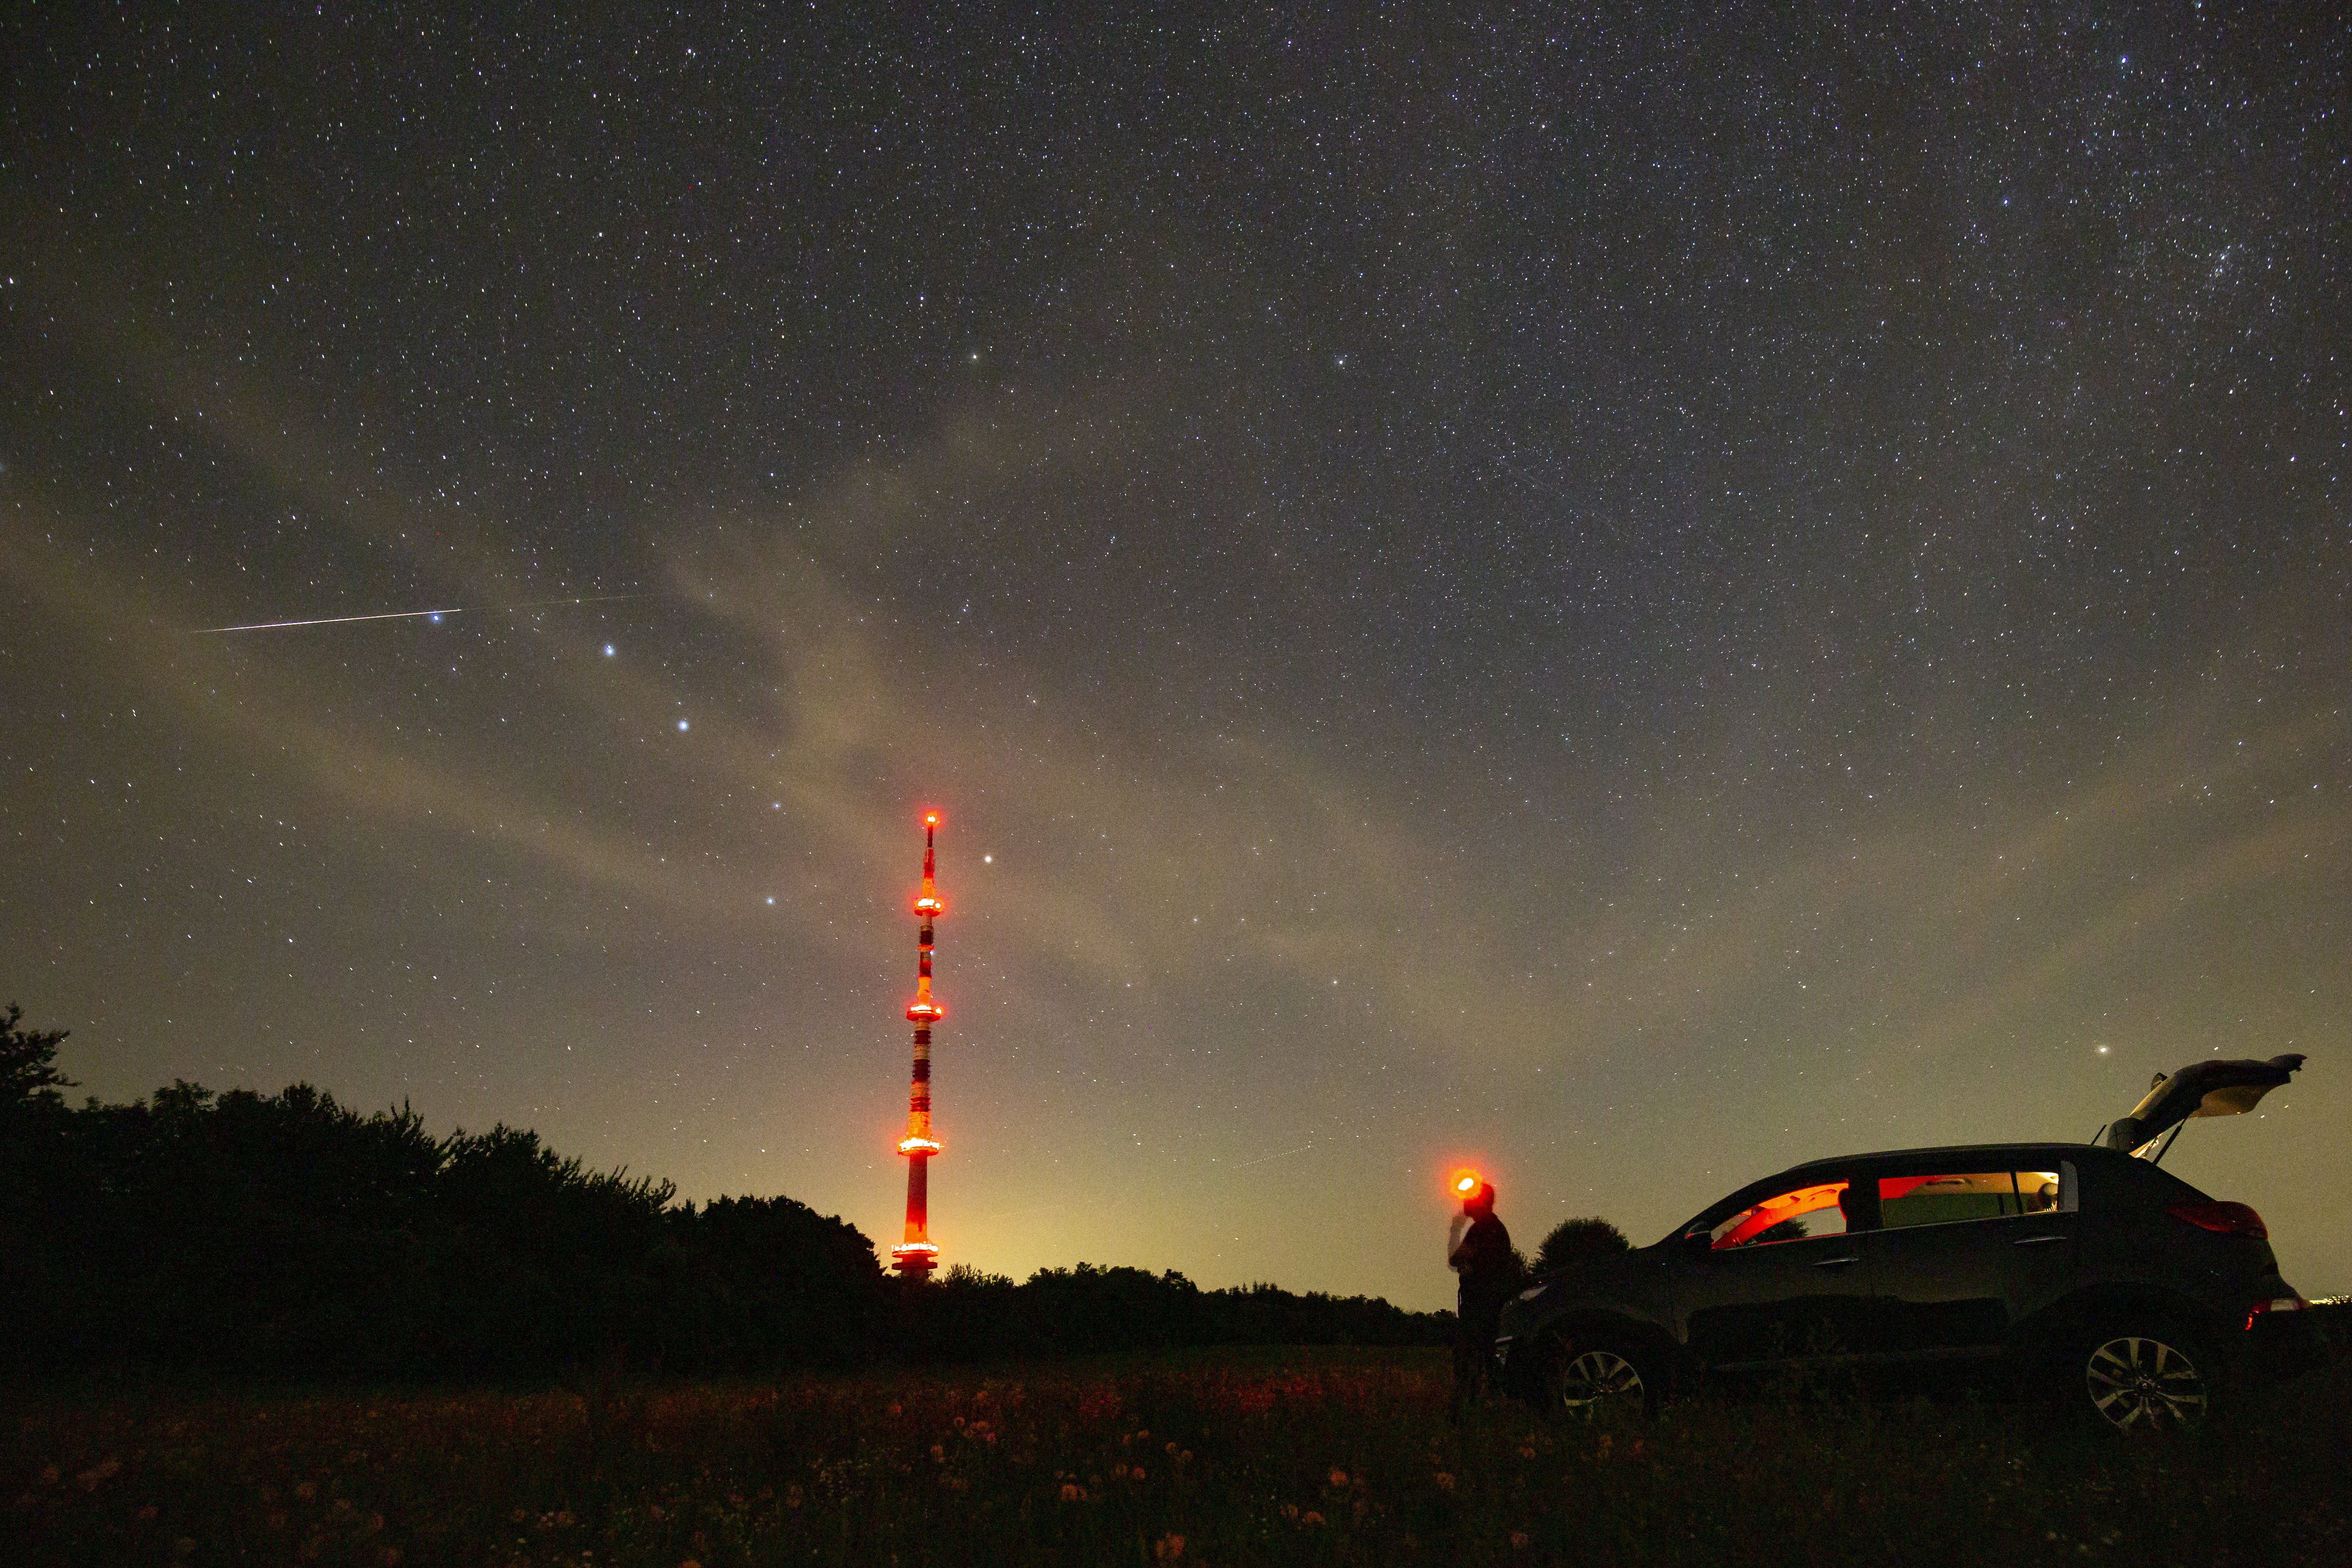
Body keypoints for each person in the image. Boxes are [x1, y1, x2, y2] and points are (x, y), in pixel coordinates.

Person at [1448, 1180, 1517, 1413]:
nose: (1465, 1202)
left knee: (1470, 1355)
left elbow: (1455, 1259)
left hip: (1480, 1303)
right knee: (1488, 1354)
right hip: (1493, 1301)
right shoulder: (1497, 1228)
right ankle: (1495, 1404)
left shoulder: (1481, 1229)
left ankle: (1470, 1409)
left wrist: (1455, 1230)